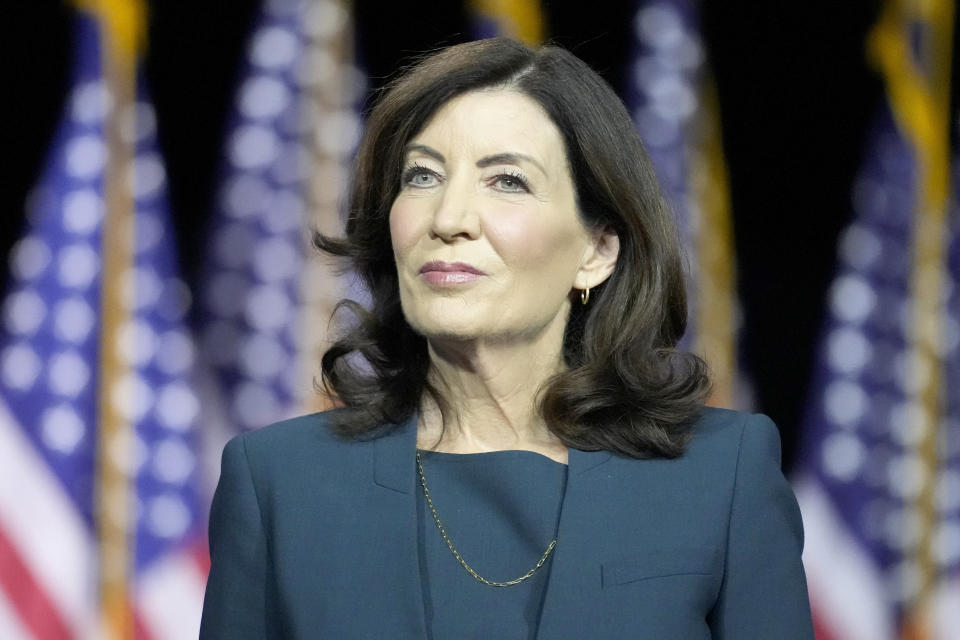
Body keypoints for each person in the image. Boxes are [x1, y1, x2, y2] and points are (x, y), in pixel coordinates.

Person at [199, 38, 814, 639]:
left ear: (596, 251)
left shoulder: (720, 475)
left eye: (507, 182)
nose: (449, 219)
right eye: (422, 176)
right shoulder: (279, 481)